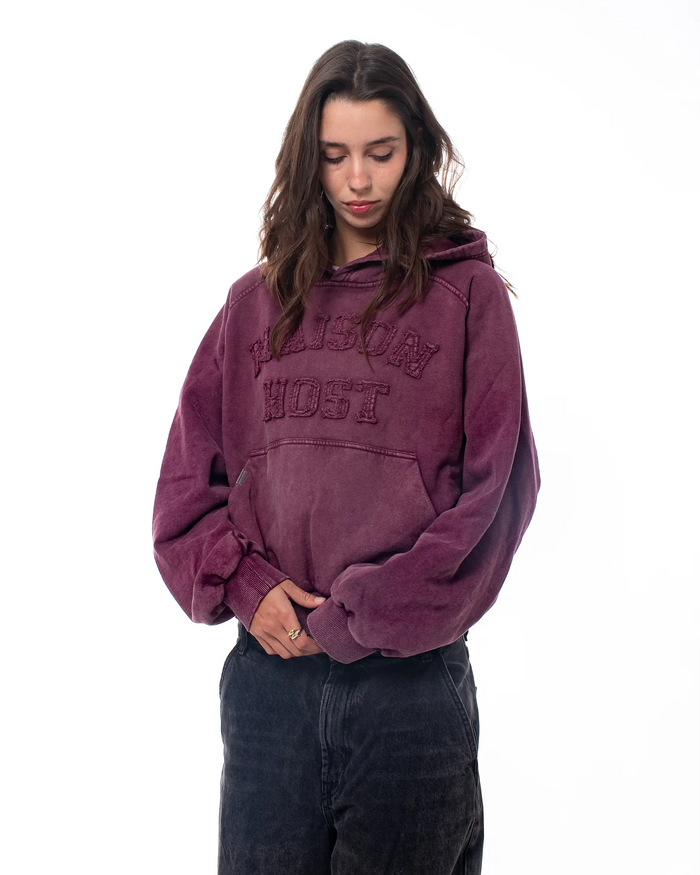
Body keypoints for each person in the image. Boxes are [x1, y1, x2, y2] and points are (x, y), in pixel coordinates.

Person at [152, 39, 540, 875]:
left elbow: (497, 496)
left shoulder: (467, 297)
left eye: (380, 152)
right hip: (270, 692)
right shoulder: (254, 304)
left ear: (417, 151)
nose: (358, 179)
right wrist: (248, 588)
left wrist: (355, 614)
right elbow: (184, 494)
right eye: (335, 156)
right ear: (309, 158)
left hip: (408, 695)